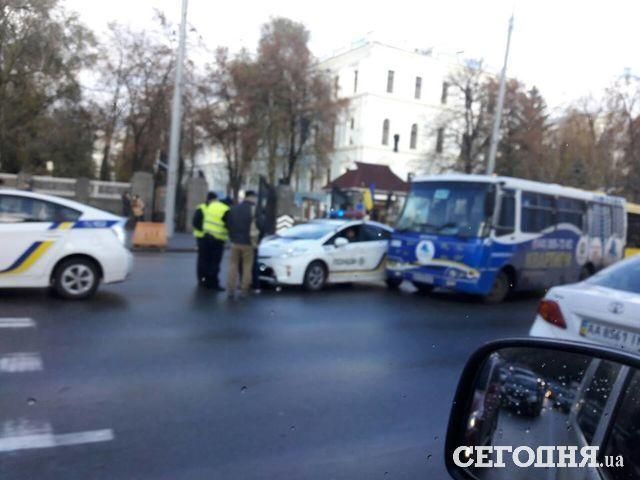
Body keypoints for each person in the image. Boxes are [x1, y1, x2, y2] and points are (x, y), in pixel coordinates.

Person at [225, 190, 259, 299]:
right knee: (247, 266)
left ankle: (231, 289)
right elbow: (260, 225)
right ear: (252, 197)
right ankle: (244, 290)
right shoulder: (253, 210)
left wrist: (232, 237)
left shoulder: (233, 209)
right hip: (248, 242)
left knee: (233, 265)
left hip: (235, 242)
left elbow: (228, 223)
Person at [201, 193, 230, 291]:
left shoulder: (212, 206)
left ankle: (205, 282)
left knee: (207, 261)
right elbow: (227, 224)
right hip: (217, 239)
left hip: (206, 236)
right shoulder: (226, 210)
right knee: (215, 263)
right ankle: (214, 284)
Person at [192, 192, 218, 287]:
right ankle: (202, 279)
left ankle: (206, 278)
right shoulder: (202, 208)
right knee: (203, 259)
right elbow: (196, 222)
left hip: (210, 237)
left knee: (208, 259)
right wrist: (205, 231)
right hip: (202, 237)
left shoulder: (212, 208)